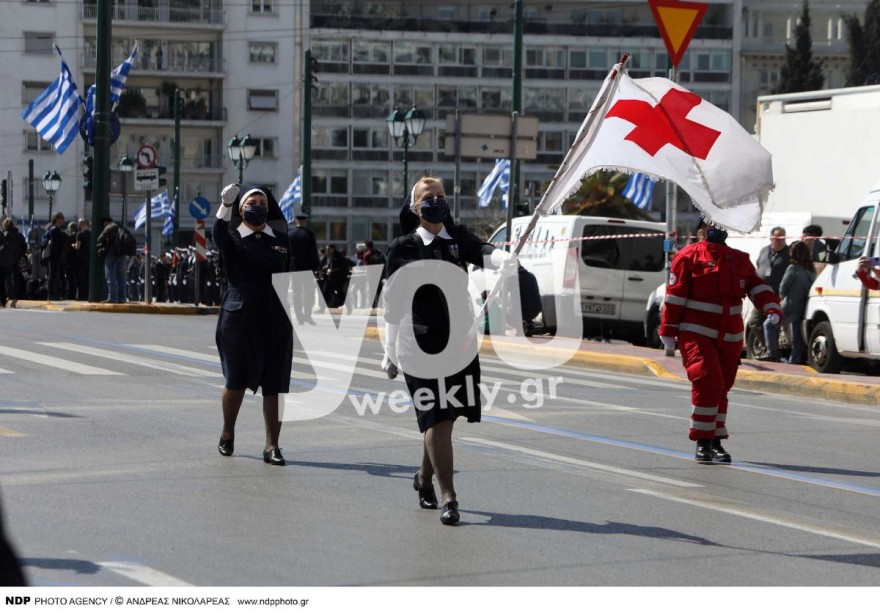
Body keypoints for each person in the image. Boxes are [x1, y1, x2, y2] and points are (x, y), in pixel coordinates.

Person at [381, 177, 517, 525]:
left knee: (447, 419)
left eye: (441, 196)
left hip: (459, 343)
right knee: (436, 417)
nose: (436, 202)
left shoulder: (457, 240)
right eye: (428, 198)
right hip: (419, 346)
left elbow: (483, 250)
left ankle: (424, 479)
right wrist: (390, 351)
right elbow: (393, 305)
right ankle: (449, 497)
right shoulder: (402, 247)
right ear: (415, 207)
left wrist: (505, 259)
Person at [659, 220, 781, 464]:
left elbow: (757, 286)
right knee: (707, 380)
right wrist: (668, 331)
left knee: (721, 387)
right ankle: (702, 441)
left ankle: (715, 439)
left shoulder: (739, 259)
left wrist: (771, 307)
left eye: (721, 225)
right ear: (699, 232)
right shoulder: (688, 257)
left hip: (730, 336)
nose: (717, 230)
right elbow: (674, 297)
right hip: (697, 332)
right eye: (710, 226)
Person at [214, 183, 292, 466]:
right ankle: (227, 432)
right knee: (236, 381)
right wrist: (224, 207)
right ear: (241, 209)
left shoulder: (280, 239)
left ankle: (272, 445)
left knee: (275, 384)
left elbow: (291, 272)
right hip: (239, 317)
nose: (257, 206)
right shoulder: (233, 237)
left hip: (276, 316)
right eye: (251, 202)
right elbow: (217, 235)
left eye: (262, 202)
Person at [772, 241, 817, 365]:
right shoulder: (811, 269)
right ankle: (794, 358)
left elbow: (783, 287)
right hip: (804, 307)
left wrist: (781, 297)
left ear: (794, 253)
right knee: (796, 335)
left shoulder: (793, 268)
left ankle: (772, 354)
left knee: (769, 325)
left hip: (790, 305)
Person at [747, 225, 789, 357]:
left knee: (773, 324)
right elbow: (759, 265)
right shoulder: (764, 251)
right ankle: (768, 346)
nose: (780, 241)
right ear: (771, 238)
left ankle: (773, 352)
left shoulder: (789, 254)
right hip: (762, 296)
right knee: (753, 322)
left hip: (778, 297)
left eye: (782, 238)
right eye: (777, 238)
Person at [287, 207, 320, 324]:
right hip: (307, 268)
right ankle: (307, 315)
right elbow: (313, 253)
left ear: (296, 220)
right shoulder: (309, 234)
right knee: (308, 293)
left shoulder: (290, 235)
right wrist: (317, 268)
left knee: (296, 293)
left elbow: (287, 253)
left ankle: (299, 317)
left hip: (294, 268)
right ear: (304, 221)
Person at [95, 217, 127, 303]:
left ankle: (112, 298)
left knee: (110, 276)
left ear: (106, 223)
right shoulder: (121, 227)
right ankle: (122, 298)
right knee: (121, 277)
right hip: (122, 254)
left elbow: (99, 239)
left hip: (111, 254)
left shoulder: (110, 227)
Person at [1, 218, 26, 308]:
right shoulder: (19, 235)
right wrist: (21, 255)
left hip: (5, 260)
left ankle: (10, 295)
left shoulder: (4, 235)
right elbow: (24, 247)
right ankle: (16, 294)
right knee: (16, 277)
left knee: (7, 279)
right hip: (17, 259)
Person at [43, 212, 67, 300]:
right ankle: (52, 294)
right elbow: (56, 244)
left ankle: (54, 293)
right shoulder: (55, 230)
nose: (63, 220)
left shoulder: (54, 229)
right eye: (62, 217)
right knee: (53, 275)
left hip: (54, 256)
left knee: (54, 274)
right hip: (54, 256)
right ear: (57, 219)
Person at [73, 218, 91, 301]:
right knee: (87, 278)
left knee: (81, 278)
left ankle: (81, 295)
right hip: (89, 259)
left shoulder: (79, 234)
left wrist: (72, 245)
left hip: (81, 259)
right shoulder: (91, 233)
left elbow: (77, 247)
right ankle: (87, 294)